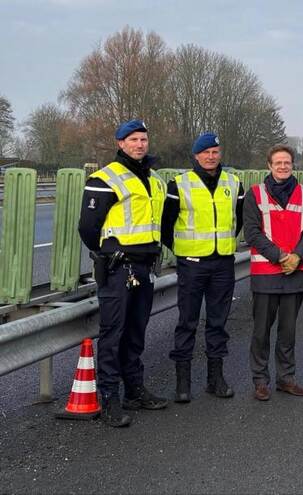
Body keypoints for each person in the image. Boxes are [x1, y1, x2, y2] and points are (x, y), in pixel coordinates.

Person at [78, 119, 168, 427]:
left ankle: (134, 390)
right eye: (133, 140)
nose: (140, 144)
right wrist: (107, 253)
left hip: (144, 266)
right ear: (120, 144)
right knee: (113, 334)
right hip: (118, 268)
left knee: (136, 332)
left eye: (143, 139)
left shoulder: (154, 179)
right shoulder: (105, 178)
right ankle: (109, 398)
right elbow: (88, 228)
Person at [160, 132, 244, 403]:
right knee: (187, 322)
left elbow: (238, 220)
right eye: (205, 152)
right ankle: (182, 383)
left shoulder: (234, 182)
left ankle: (215, 379)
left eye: (215, 152)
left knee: (218, 322)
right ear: (195, 155)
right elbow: (166, 225)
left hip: (222, 262)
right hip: (192, 264)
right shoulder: (179, 184)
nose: (211, 156)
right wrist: (183, 251)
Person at [243, 144, 303, 401]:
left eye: (287, 162)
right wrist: (281, 256)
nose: (283, 166)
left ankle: (286, 379)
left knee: (288, 331)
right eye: (278, 163)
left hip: (295, 273)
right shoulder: (255, 194)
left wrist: (297, 256)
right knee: (261, 331)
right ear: (269, 166)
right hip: (266, 273)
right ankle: (260, 381)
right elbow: (251, 231)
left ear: (292, 165)